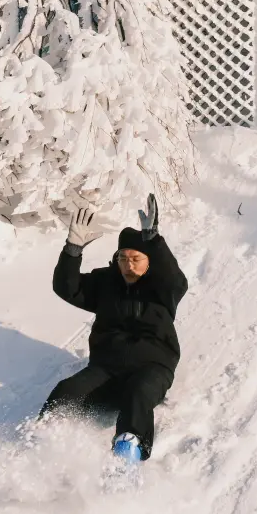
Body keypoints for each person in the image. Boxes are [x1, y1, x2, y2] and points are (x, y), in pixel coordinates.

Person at [39, 195, 188, 463]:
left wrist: (154, 241)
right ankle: (41, 446)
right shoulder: (106, 282)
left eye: (136, 258)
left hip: (152, 368)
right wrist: (72, 250)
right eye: (123, 258)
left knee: (139, 394)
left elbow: (175, 279)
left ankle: (126, 456)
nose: (128, 265)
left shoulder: (162, 288)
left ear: (149, 261)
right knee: (66, 390)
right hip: (105, 369)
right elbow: (67, 288)